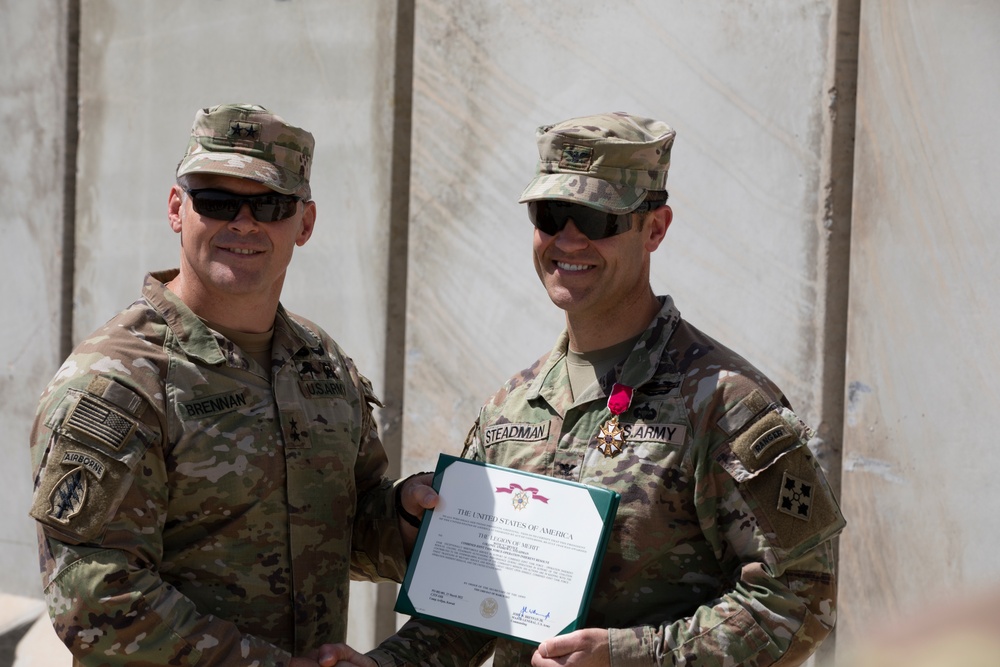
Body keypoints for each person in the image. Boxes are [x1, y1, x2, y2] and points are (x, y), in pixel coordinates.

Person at [320, 112, 846, 666]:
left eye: (597, 219)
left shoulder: (724, 403)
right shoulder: (511, 406)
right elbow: (479, 606)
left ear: (656, 228)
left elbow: (799, 597)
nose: (568, 239)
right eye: (552, 215)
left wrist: (631, 657)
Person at [28, 103, 435, 667]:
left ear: (305, 223)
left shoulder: (320, 363)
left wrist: (406, 520)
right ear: (177, 209)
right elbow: (93, 596)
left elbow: (344, 529)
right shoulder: (118, 380)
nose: (243, 223)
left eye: (270, 205)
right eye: (217, 202)